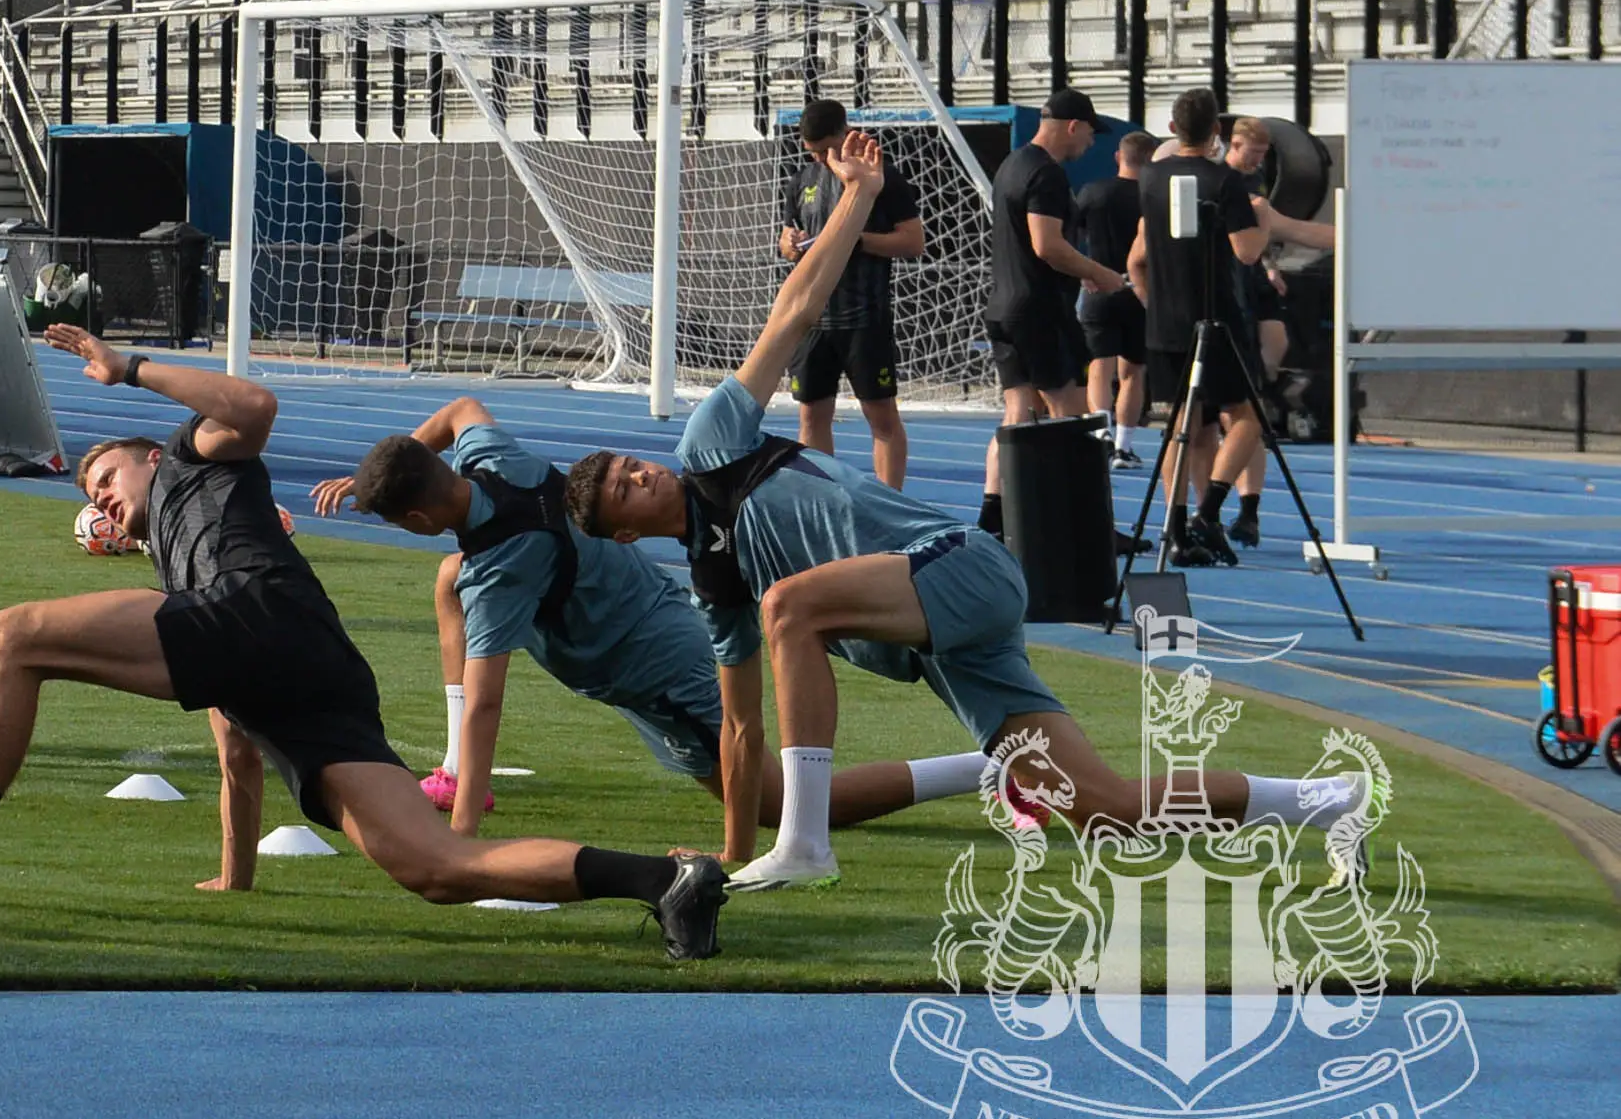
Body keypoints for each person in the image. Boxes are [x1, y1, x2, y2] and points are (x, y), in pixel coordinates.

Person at [560, 124, 1373, 888]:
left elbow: (796, 310)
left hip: (959, 568)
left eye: (633, 465)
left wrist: (857, 194)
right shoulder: (714, 584)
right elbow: (740, 732)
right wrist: (731, 855)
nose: (643, 475)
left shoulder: (709, 446)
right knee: (1103, 810)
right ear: (625, 534)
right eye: (625, 488)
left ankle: (805, 843)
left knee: (789, 606)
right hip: (944, 647)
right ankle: (1326, 800)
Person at [0, 327, 730, 958]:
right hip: (305, 667)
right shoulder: (181, 575)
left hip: (263, 616)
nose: (101, 498)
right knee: (434, 868)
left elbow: (255, 403)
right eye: (90, 496)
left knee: (12, 636)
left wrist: (130, 369)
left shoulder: (192, 454)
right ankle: (664, 881)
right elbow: (234, 744)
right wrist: (235, 875)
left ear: (148, 458)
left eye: (105, 475)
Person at [317, 395, 979, 847]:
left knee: (781, 805)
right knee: (447, 578)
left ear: (417, 521)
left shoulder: (498, 573)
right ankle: (454, 766)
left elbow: (486, 702)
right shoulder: (492, 458)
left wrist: (460, 838)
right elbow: (461, 409)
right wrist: (389, 469)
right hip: (650, 622)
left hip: (659, 668)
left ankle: (987, 767)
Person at [1133, 91, 1278, 569]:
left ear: (1173, 128)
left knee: (1181, 427)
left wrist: (1151, 300)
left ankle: (1175, 531)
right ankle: (1209, 509)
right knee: (1247, 417)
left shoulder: (1151, 177)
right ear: (1217, 130)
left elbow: (1138, 255)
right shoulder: (1224, 181)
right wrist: (1264, 221)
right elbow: (1247, 252)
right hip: (1216, 322)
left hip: (1165, 322)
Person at [976, 94, 1126, 533]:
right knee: (1071, 417)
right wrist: (1098, 272)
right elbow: (1047, 245)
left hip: (1005, 306)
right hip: (1040, 310)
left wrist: (1080, 273)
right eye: (1090, 134)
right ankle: (1085, 525)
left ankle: (994, 515)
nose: (1090, 144)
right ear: (1074, 126)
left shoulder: (1013, 164)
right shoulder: (1047, 173)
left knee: (1018, 413)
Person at [773, 98, 924, 489]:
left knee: (882, 417)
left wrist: (856, 240)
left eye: (826, 149)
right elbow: (786, 239)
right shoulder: (801, 180)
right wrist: (789, 244)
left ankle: (889, 504)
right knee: (811, 416)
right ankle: (821, 497)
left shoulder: (883, 178)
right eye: (812, 152)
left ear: (845, 133)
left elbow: (913, 241)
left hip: (864, 318)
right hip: (812, 319)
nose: (821, 159)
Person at [1221, 115, 1339, 549]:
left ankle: (1246, 508)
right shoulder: (1217, 183)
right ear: (1232, 146)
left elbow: (1275, 230)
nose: (1258, 161)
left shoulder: (1255, 186)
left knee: (1275, 346)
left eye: (1263, 154)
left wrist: (1269, 266)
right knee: (1228, 416)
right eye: (1252, 153)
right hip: (1222, 293)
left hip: (1252, 282)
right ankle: (1212, 504)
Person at [1073, 128, 1155, 478]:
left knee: (1099, 365)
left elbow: (1069, 234)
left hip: (1098, 285)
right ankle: (1124, 445)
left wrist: (1082, 271)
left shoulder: (1093, 192)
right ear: (1150, 160)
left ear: (1119, 157)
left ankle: (1101, 429)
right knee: (1133, 371)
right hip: (1139, 289)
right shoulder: (1153, 197)